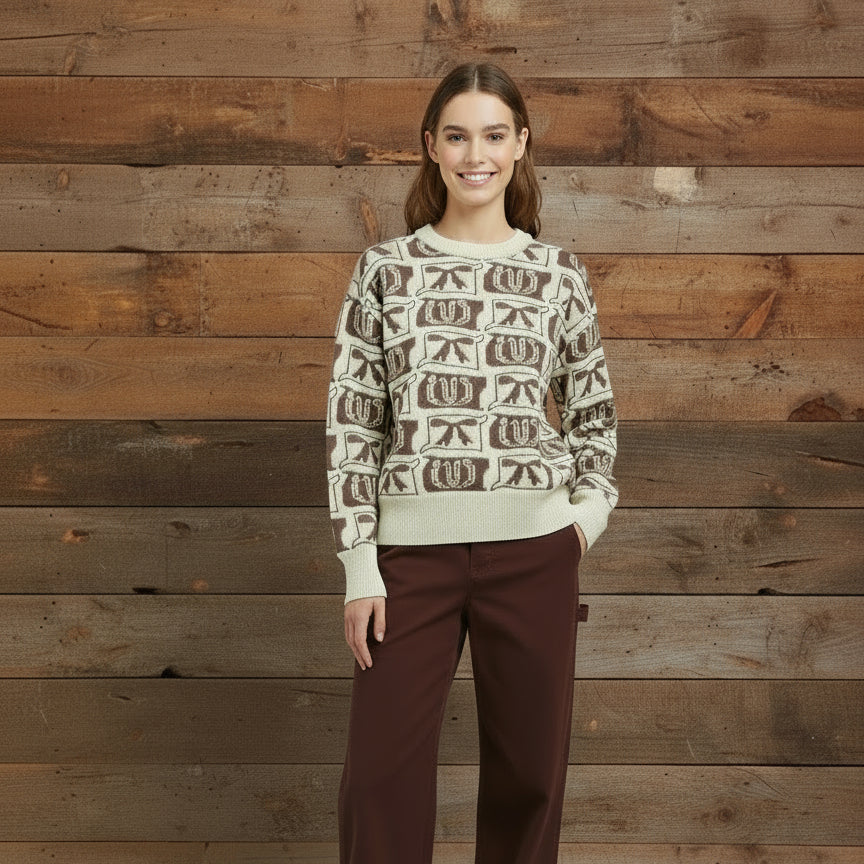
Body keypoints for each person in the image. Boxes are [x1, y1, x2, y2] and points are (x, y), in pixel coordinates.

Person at [325, 61, 618, 864]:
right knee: (379, 778)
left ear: (521, 145)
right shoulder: (385, 272)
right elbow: (354, 423)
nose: (475, 153)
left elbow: (594, 420)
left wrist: (576, 528)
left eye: (494, 135)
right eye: (457, 135)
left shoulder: (558, 274)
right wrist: (360, 566)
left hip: (535, 554)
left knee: (530, 777)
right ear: (431, 146)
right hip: (407, 561)